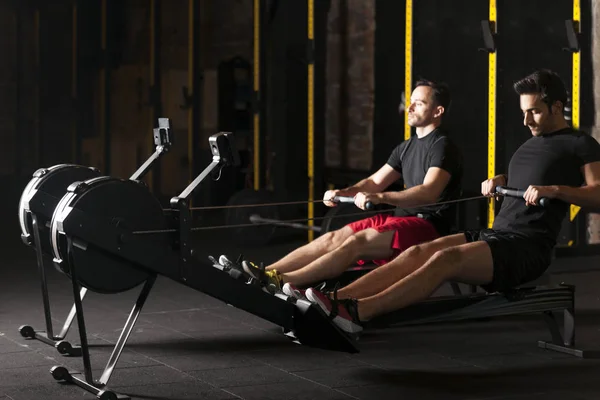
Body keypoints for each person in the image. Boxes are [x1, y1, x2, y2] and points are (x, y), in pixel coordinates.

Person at [302, 69, 600, 335]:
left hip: (526, 247)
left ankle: (358, 313)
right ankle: (337, 301)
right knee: (418, 252)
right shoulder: (530, 143)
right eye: (524, 112)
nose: (526, 120)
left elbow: (597, 194)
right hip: (496, 234)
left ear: (558, 107)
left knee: (445, 260)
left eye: (534, 112)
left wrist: (557, 190)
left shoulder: (580, 144)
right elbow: (530, 179)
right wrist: (501, 180)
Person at [234, 79, 464, 296]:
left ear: (437, 111)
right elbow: (373, 182)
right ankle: (262, 272)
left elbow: (429, 192)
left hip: (428, 228)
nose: (410, 107)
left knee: (356, 242)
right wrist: (343, 193)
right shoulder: (405, 147)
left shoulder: (442, 146)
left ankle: (282, 281)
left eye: (419, 103)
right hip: (399, 221)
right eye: (411, 101)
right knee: (334, 237)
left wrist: (380, 196)